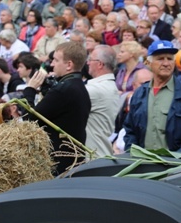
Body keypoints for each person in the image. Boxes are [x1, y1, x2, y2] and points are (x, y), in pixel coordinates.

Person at [123, 40, 181, 154]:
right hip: (143, 165)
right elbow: (130, 130)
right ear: (148, 63)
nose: (166, 63)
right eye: (160, 59)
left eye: (169, 59)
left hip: (176, 167)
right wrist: (132, 152)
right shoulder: (140, 93)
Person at [25, 42, 91, 174]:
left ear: (69, 65)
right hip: (72, 159)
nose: (52, 64)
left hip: (58, 163)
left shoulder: (63, 89)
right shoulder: (78, 86)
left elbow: (30, 119)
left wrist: (30, 90)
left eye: (56, 60)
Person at [84, 45, 120, 158]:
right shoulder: (107, 86)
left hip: (92, 157)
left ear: (100, 64)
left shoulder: (97, 90)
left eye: (90, 60)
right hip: (99, 153)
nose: (88, 63)